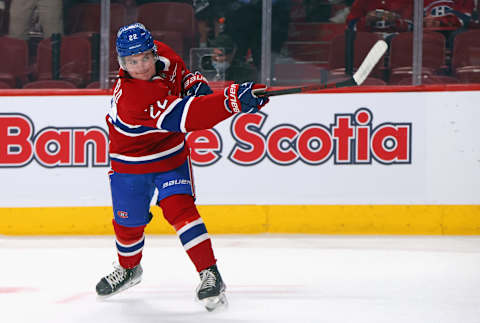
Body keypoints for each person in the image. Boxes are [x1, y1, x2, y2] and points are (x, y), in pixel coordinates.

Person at [95, 22, 268, 312]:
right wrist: (234, 100)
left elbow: (184, 78)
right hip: (130, 162)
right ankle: (128, 269)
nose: (140, 67)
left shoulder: (166, 54)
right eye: (131, 62)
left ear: (153, 52)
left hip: (170, 154)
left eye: (144, 58)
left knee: (181, 210)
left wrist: (196, 86)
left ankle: (210, 274)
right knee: (129, 224)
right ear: (122, 64)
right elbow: (190, 117)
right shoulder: (134, 97)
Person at [346, 0, 413, 33]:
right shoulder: (362, 1)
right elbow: (350, 26)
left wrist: (396, 20)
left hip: (399, 45)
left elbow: (417, 28)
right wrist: (366, 20)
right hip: (368, 44)